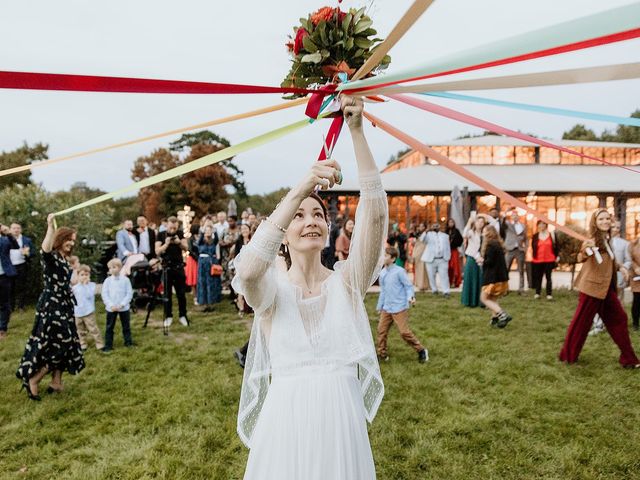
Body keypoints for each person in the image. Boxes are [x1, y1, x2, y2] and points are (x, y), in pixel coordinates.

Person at [233, 96, 386, 479]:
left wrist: (356, 132)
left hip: (341, 434)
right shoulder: (271, 292)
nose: (311, 220)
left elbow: (377, 214)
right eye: (300, 216)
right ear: (284, 234)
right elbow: (248, 270)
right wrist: (301, 190)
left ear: (328, 228)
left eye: (318, 213)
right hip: (286, 435)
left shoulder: (347, 284)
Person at [559, 209, 640, 368]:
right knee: (581, 323)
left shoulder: (607, 239)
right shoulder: (592, 240)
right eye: (601, 219)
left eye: (607, 219)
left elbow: (607, 261)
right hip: (592, 288)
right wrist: (585, 250)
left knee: (620, 319)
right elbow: (582, 256)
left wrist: (621, 267)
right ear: (595, 222)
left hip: (606, 289)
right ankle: (568, 356)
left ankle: (629, 359)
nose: (605, 221)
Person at [16, 214, 85, 400]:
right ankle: (34, 379)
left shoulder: (64, 259)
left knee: (68, 341)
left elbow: (68, 281)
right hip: (51, 304)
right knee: (56, 343)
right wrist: (49, 226)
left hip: (64, 304)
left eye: (73, 240)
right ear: (61, 239)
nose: (72, 243)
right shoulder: (52, 257)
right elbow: (45, 249)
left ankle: (56, 383)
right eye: (69, 239)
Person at [376, 247, 427, 363]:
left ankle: (421, 350)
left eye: (386, 255)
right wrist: (380, 306)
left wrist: (411, 297)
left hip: (399, 307)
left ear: (393, 258)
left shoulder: (399, 271)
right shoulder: (383, 273)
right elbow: (383, 291)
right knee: (381, 331)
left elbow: (408, 286)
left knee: (404, 332)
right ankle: (382, 354)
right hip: (387, 308)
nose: (383, 257)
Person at [155, 216, 189, 329]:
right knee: (167, 294)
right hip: (166, 268)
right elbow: (157, 251)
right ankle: (168, 316)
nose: (173, 229)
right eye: (171, 227)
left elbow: (186, 248)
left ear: (177, 226)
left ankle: (183, 315)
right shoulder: (161, 235)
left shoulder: (180, 233)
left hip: (178, 266)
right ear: (167, 225)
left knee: (181, 294)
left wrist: (179, 242)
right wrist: (166, 244)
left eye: (175, 227)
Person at [479, 226, 512, 328]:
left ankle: (502, 314)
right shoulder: (498, 244)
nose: (482, 233)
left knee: (484, 298)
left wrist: (481, 261)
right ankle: (494, 318)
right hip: (500, 277)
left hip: (493, 278)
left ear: (488, 233)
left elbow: (490, 261)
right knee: (492, 298)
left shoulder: (490, 245)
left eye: (484, 231)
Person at [101, 258, 133, 352]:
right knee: (109, 327)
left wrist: (122, 304)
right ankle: (108, 345)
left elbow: (129, 293)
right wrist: (111, 305)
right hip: (111, 308)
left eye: (114, 267)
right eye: (110, 268)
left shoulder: (126, 280)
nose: (111, 270)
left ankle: (128, 342)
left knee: (126, 326)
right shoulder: (107, 281)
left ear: (119, 268)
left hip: (123, 308)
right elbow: (104, 294)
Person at [72, 264, 104, 351]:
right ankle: (83, 344)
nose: (84, 277)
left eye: (86, 275)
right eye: (82, 275)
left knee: (93, 328)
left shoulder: (91, 285)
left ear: (89, 275)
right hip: (78, 312)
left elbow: (89, 295)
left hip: (88, 311)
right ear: (78, 276)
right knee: (80, 330)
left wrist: (86, 285)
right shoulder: (74, 288)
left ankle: (99, 344)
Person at [420, 222, 451, 297]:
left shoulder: (445, 236)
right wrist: (426, 231)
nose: (436, 227)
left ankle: (446, 291)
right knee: (431, 275)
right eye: (434, 226)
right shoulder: (428, 235)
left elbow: (447, 247)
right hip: (431, 259)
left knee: (444, 275)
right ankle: (434, 290)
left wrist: (448, 257)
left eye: (437, 225)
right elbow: (422, 240)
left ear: (439, 226)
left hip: (442, 259)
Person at [461, 213, 485, 307]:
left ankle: (480, 301)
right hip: (471, 257)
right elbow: (464, 234)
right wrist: (469, 221)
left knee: (480, 279)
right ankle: (469, 301)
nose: (480, 223)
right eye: (478, 222)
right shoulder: (471, 232)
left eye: (482, 222)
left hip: (481, 258)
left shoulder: (484, 233)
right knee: (471, 278)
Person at [531, 220, 559, 300]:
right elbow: (533, 247)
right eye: (540, 224)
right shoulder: (535, 236)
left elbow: (556, 246)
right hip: (538, 260)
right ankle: (537, 293)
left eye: (543, 224)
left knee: (548, 277)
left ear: (546, 225)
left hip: (549, 260)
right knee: (538, 277)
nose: (542, 225)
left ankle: (549, 294)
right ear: (538, 226)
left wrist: (557, 257)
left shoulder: (552, 235)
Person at [9, 222, 34, 311]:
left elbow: (33, 253)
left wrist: (27, 254)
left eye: (18, 228)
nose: (16, 230)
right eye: (14, 228)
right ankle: (11, 307)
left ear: (21, 229)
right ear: (10, 229)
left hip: (22, 265)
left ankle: (21, 306)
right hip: (10, 266)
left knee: (21, 286)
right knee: (10, 287)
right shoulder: (6, 240)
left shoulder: (27, 240)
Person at [501, 210, 527, 294]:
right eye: (513, 215)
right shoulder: (508, 224)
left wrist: (526, 247)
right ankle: (505, 289)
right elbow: (503, 224)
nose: (515, 217)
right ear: (511, 217)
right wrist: (504, 216)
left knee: (521, 270)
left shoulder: (523, 226)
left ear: (519, 217)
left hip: (519, 250)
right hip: (510, 249)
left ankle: (521, 289)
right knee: (506, 269)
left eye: (516, 215)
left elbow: (525, 238)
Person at [196, 225, 221, 310]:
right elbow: (198, 242)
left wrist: (214, 231)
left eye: (209, 231)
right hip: (202, 264)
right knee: (202, 282)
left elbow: (217, 238)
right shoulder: (201, 241)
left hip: (211, 263)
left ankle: (211, 303)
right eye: (206, 231)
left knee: (211, 283)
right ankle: (203, 303)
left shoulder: (214, 241)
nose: (208, 232)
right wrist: (203, 232)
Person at [0, 227, 18, 339]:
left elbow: (16, 247)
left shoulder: (5, 240)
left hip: (4, 276)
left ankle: (2, 329)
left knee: (4, 303)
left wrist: (10, 235)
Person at [233, 223, 252, 316]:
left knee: (250, 288)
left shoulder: (253, 240)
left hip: (251, 266)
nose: (244, 230)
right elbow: (236, 255)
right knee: (241, 288)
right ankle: (241, 308)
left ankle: (250, 307)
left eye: (246, 228)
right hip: (241, 267)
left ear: (249, 230)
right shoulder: (238, 242)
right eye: (242, 229)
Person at [610, 219, 631, 298]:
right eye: (613, 227)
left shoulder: (625, 243)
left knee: (618, 301)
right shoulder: (602, 242)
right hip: (604, 276)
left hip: (619, 276)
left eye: (618, 227)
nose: (615, 229)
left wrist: (624, 268)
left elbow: (628, 260)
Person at [219, 215, 240, 291]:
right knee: (226, 271)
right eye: (228, 221)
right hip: (226, 255)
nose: (230, 223)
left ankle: (236, 291)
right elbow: (220, 241)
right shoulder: (225, 231)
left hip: (236, 254)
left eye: (231, 221)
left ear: (235, 221)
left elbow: (239, 241)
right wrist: (224, 244)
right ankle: (229, 289)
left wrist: (232, 243)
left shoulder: (239, 231)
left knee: (234, 272)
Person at [410, 223, 430, 292]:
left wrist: (425, 232)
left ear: (425, 227)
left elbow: (422, 240)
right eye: (420, 226)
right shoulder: (417, 233)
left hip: (423, 252)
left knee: (424, 269)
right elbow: (415, 242)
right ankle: (419, 284)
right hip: (417, 252)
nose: (420, 227)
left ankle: (424, 285)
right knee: (418, 268)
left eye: (422, 226)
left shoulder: (427, 234)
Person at [446, 218, 463, 288]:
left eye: (452, 222)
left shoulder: (456, 231)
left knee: (455, 267)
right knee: (448, 267)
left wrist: (454, 243)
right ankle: (449, 282)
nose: (451, 224)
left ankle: (455, 282)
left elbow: (460, 240)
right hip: (447, 251)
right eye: (449, 222)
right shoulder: (446, 232)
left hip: (454, 251)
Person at [629, 236, 640, 331]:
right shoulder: (633, 244)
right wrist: (636, 267)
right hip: (636, 277)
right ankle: (635, 323)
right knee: (637, 301)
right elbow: (629, 258)